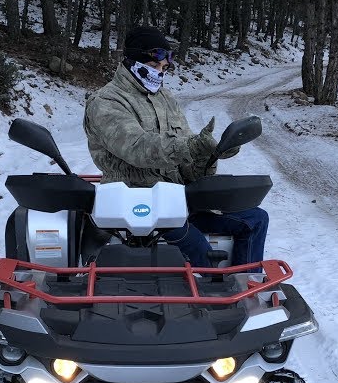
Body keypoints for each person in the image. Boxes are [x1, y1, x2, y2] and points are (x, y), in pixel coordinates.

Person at [82, 25, 269, 267]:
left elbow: (187, 159)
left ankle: (248, 282)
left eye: (164, 68)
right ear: (132, 60)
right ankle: (213, 293)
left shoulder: (166, 99)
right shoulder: (106, 101)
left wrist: (210, 154)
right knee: (199, 249)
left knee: (254, 219)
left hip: (175, 199)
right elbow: (137, 148)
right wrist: (189, 147)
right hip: (133, 201)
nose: (159, 73)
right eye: (153, 66)